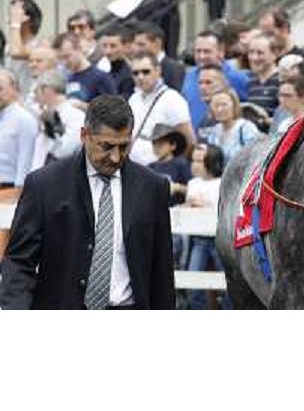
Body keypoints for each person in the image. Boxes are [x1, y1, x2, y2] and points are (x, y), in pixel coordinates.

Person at [0, 94, 176, 309]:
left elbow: (162, 270)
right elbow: (19, 261)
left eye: (124, 147)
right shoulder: (44, 185)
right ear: (84, 135)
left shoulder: (152, 188)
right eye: (106, 146)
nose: (115, 157)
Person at [127, 52, 194, 166]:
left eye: (146, 72)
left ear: (158, 71)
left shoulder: (172, 99)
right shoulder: (134, 98)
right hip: (134, 166)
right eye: (135, 73)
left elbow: (188, 140)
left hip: (159, 169)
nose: (140, 77)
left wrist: (174, 168)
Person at [181, 30, 249, 132]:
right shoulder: (188, 75)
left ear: (221, 51)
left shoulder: (238, 78)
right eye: (198, 51)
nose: (201, 56)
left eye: (207, 51)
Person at [185, 143, 226, 310]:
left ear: (212, 161)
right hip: (199, 241)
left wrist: (204, 205)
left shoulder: (223, 182)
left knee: (227, 285)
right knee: (192, 285)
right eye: (193, 160)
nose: (194, 164)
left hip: (221, 241)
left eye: (199, 161)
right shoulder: (192, 183)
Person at [30, 70, 86, 170]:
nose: (35, 95)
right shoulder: (44, 114)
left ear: (47, 89)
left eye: (36, 90)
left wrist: (52, 128)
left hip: (59, 178)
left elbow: (64, 151)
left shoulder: (76, 116)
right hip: (39, 176)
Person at [54, 32, 117, 109]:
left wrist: (83, 106)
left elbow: (113, 110)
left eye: (67, 56)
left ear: (79, 49)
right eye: (60, 59)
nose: (64, 62)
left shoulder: (101, 77)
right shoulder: (67, 78)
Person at [0, 69, 38, 191]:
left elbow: (26, 157)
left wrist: (20, 188)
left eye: (0, 89)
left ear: (15, 89)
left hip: (9, 185)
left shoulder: (24, 119)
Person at [204, 89, 260, 164]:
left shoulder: (246, 128)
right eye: (216, 105)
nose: (219, 109)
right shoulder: (214, 131)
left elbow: (256, 157)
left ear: (234, 106)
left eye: (224, 105)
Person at [5, 0, 47, 96]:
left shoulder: (40, 45)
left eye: (14, 15)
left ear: (27, 18)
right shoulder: (8, 46)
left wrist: (15, 23)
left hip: (29, 103)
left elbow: (16, 52)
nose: (9, 20)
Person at [130, 21, 185, 91]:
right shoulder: (133, 66)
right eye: (135, 45)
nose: (136, 49)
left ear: (157, 43)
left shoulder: (174, 70)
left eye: (141, 44)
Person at [247, 32, 280, 116]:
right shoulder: (251, 81)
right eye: (251, 52)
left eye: (260, 53)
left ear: (274, 54)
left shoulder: (282, 80)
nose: (254, 58)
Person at [99, 23, 135, 99]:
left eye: (113, 46)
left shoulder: (130, 74)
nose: (108, 51)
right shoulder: (100, 68)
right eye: (104, 46)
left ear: (126, 46)